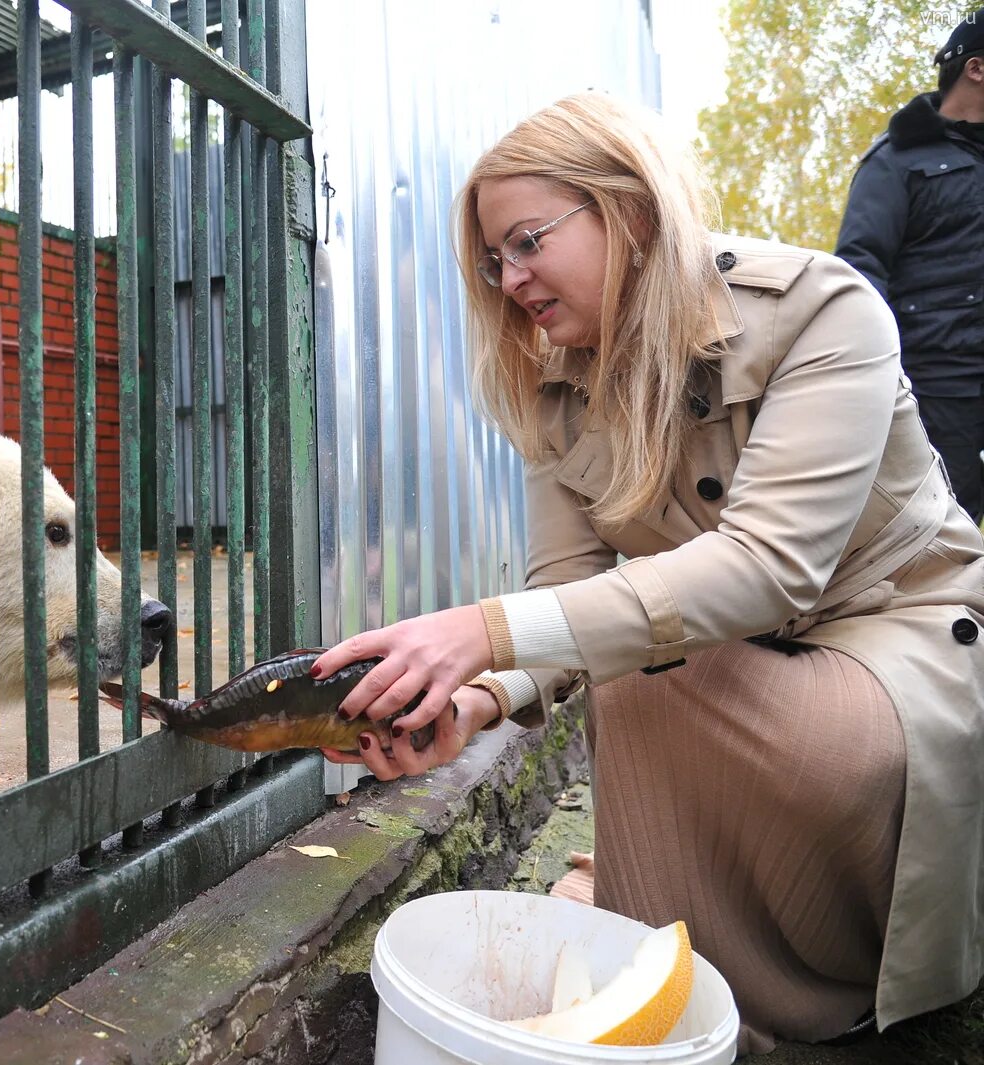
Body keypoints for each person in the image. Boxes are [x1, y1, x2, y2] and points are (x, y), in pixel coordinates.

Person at [313, 92, 984, 1055]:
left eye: (527, 241)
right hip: (729, 658)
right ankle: (669, 974)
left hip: (899, 644)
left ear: (627, 209)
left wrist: (480, 632)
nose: (508, 279)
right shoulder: (552, 388)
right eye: (492, 260)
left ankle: (771, 1008)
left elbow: (767, 567)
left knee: (646, 660)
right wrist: (472, 706)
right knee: (638, 653)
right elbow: (562, 593)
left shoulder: (821, 311)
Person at [835, 8, 984, 523]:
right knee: (940, 539)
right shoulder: (897, 160)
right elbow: (860, 273)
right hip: (939, 390)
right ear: (976, 68)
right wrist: (881, 380)